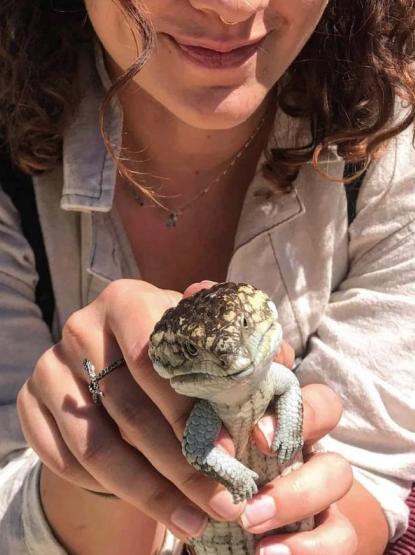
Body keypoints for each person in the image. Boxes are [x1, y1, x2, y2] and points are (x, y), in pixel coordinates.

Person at [0, 0, 414, 554]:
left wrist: (327, 533)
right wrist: (95, 464)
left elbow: (371, 460)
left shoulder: (392, 145)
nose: (233, 8)